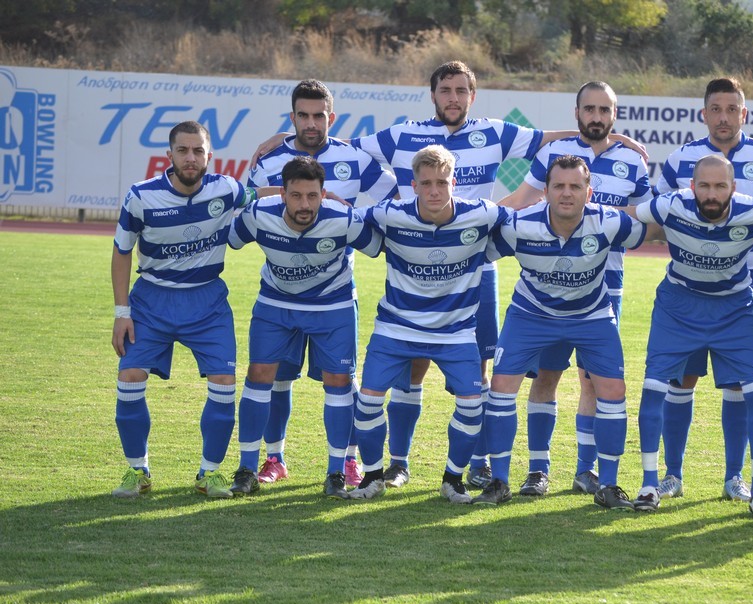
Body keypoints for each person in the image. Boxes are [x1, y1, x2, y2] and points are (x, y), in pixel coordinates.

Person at [347, 61, 645, 491]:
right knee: (412, 367)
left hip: (478, 268)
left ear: (473, 95)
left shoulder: (494, 132)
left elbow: (547, 138)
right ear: (433, 95)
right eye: (445, 90)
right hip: (421, 258)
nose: (453, 98)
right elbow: (344, 149)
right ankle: (398, 462)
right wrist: (393, 197)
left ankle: (482, 462)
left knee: (483, 369)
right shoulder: (402, 135)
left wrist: (609, 138)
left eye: (461, 91)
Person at [627, 154, 753, 516]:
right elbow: (626, 215)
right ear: (692, 187)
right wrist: (575, 214)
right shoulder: (671, 204)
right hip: (678, 306)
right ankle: (652, 484)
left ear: (733, 187)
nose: (712, 193)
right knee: (655, 386)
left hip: (734, 309)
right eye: (704, 185)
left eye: (720, 186)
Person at [497, 81, 652, 498]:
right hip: (549, 280)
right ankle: (538, 470)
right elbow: (522, 199)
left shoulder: (632, 159)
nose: (596, 117)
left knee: (593, 381)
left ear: (614, 114)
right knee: (546, 375)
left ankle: (587, 471)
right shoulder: (554, 153)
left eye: (604, 110)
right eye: (589, 109)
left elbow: (645, 216)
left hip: (605, 283)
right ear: (577, 112)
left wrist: (596, 214)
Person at [246, 79, 398, 490]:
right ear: (292, 117)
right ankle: (274, 458)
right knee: (276, 377)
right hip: (280, 292)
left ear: (332, 117)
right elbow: (250, 203)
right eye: (303, 116)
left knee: (342, 380)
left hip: (334, 295)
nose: (311, 123)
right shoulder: (268, 159)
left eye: (319, 116)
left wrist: (355, 214)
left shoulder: (354, 158)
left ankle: (347, 461)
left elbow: (395, 196)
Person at [348, 145, 511, 504]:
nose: (434, 191)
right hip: (396, 328)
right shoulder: (390, 214)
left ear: (454, 182)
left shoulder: (481, 214)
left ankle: (452, 480)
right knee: (368, 400)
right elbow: (347, 220)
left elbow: (525, 222)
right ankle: (372, 477)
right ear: (413, 186)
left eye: (442, 182)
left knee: (472, 404)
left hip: (455, 332)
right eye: (426, 184)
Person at [110, 120, 259, 499]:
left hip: (207, 302)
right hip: (151, 301)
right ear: (170, 155)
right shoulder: (141, 196)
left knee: (224, 382)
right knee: (129, 378)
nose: (190, 158)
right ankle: (138, 471)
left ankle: (209, 474)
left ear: (209, 156)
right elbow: (121, 252)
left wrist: (316, 194)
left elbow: (266, 194)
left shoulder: (226, 189)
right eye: (183, 151)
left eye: (198, 151)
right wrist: (121, 313)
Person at [652, 77, 753, 504]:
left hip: (745, 283)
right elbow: (654, 213)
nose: (724, 117)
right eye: (716, 109)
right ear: (703, 113)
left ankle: (734, 477)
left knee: (739, 383)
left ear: (744, 114)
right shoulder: (680, 159)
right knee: (682, 379)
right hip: (688, 286)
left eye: (732, 109)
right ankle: (672, 475)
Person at [227, 157, 383, 498]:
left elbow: (377, 247)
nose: (305, 205)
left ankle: (336, 472)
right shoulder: (259, 215)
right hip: (276, 303)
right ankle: (247, 469)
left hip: (332, 305)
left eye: (313, 196)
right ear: (282, 194)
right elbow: (232, 239)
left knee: (339, 381)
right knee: (259, 374)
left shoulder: (342, 219)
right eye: (296, 196)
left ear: (323, 195)